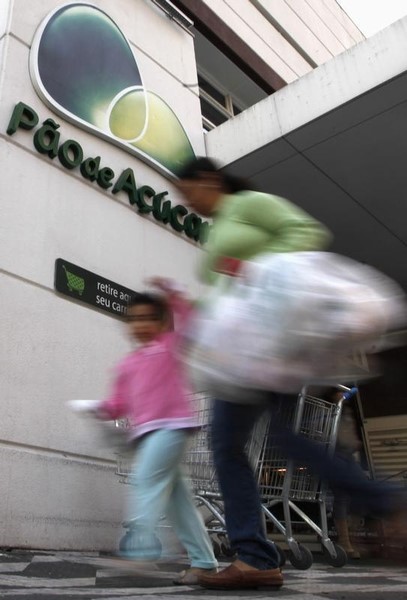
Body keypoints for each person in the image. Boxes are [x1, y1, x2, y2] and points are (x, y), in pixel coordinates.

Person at [175, 156, 406, 589]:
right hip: (252, 347)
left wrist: (254, 270)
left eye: (188, 194)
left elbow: (307, 233)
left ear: (207, 179)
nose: (188, 204)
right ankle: (386, 500)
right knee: (281, 438)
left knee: (228, 445)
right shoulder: (220, 225)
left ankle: (256, 556)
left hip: (266, 341)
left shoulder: (247, 204)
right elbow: (229, 292)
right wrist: (194, 317)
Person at [96, 279, 218, 585]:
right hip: (148, 434)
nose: (141, 325)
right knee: (178, 503)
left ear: (163, 322)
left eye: (149, 318)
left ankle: (140, 550)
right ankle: (204, 561)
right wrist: (101, 407)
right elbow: (119, 402)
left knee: (145, 480)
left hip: (172, 428)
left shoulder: (170, 347)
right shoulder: (127, 364)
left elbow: (192, 321)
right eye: (135, 319)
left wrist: (173, 292)